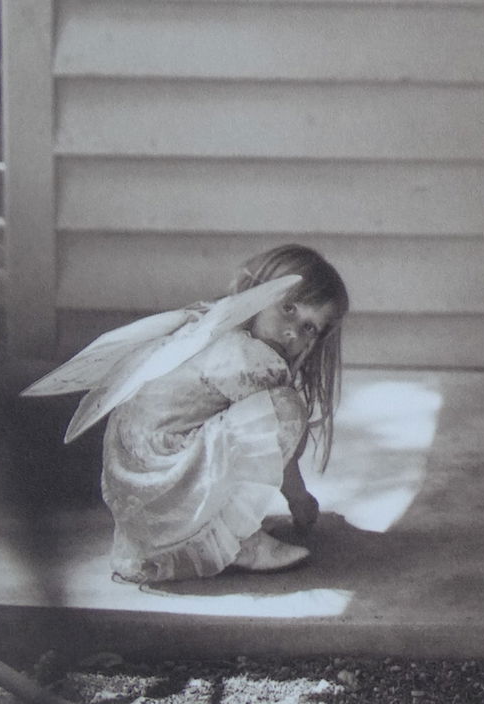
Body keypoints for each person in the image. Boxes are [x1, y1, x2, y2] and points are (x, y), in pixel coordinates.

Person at [101, 244, 349, 583]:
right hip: (162, 484)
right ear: (256, 292)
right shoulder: (247, 356)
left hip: (141, 492)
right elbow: (278, 454)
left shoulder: (211, 323)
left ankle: (211, 530)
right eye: (288, 308)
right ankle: (237, 543)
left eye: (310, 328)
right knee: (284, 412)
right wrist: (299, 499)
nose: (293, 332)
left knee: (260, 415)